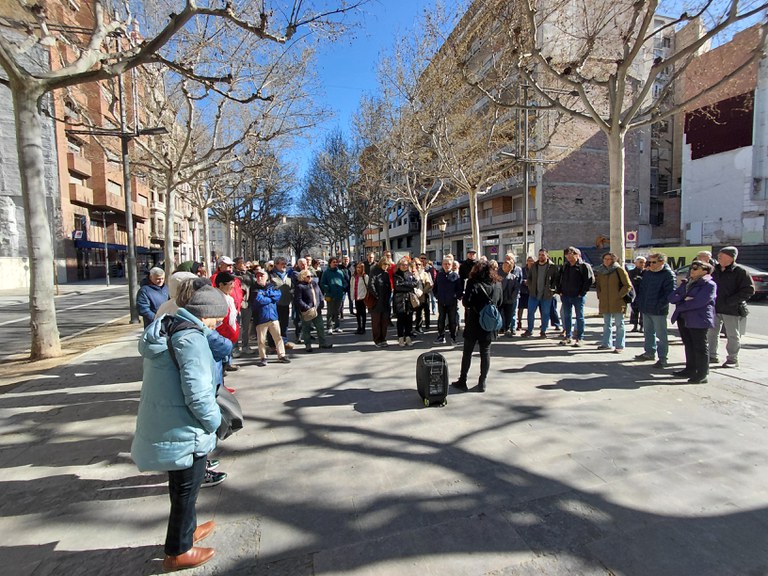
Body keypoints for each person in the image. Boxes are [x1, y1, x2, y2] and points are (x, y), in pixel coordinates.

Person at [131, 284, 228, 572]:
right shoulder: (191, 340)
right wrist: (216, 423)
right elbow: (197, 394)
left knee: (183, 484)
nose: (217, 324)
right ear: (206, 314)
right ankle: (178, 550)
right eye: (217, 319)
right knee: (187, 488)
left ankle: (188, 530)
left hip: (168, 419)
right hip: (185, 426)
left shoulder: (168, 326)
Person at [451, 261, 502, 393]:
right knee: (485, 353)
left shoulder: (473, 283)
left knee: (467, 352)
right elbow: (500, 302)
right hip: (489, 323)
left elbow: (466, 302)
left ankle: (463, 380)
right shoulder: (497, 284)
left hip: (474, 322)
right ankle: (482, 382)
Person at [707, 246, 755, 368]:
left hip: (731, 309)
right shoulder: (714, 270)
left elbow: (749, 290)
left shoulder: (740, 272)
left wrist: (732, 301)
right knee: (712, 333)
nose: (718, 257)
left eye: (721, 255)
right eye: (718, 255)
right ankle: (712, 356)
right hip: (715, 307)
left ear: (730, 257)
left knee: (732, 334)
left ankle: (732, 359)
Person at [669, 260, 717, 383]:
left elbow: (699, 302)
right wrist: (684, 299)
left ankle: (702, 374)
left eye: (696, 268)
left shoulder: (709, 285)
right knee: (689, 344)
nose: (692, 270)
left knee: (700, 346)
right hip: (684, 317)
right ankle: (690, 369)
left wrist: (682, 303)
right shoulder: (687, 283)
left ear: (705, 271)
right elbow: (672, 297)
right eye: (692, 268)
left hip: (699, 318)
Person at [634, 252, 676, 368]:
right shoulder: (648, 273)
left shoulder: (668, 274)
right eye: (649, 262)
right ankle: (649, 352)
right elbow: (642, 290)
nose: (650, 264)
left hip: (658, 310)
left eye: (654, 262)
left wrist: (659, 305)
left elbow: (669, 293)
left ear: (662, 262)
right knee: (648, 332)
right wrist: (640, 303)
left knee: (661, 335)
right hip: (646, 308)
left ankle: (662, 358)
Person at [251, 270, 290, 366]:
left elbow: (277, 296)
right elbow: (258, 300)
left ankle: (281, 355)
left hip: (273, 317)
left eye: (262, 276)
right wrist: (270, 298)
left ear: (266, 277)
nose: (259, 277)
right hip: (260, 318)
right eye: (258, 276)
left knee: (278, 337)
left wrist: (266, 296)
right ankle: (263, 357)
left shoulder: (272, 286)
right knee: (261, 340)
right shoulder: (254, 288)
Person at [594, 252, 632, 353]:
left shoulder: (619, 270)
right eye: (605, 259)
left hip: (617, 302)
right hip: (605, 302)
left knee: (619, 324)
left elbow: (627, 285)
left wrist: (619, 296)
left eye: (609, 259)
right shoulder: (600, 271)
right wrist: (600, 295)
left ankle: (619, 345)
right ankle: (606, 343)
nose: (606, 261)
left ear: (613, 260)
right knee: (607, 324)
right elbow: (598, 286)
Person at [558, 247, 594, 347]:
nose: (569, 256)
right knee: (567, 316)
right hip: (565, 296)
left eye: (572, 254)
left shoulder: (584, 266)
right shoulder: (565, 266)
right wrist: (560, 291)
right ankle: (568, 337)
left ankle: (579, 338)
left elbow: (590, 281)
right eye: (567, 254)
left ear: (578, 255)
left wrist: (582, 293)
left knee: (579, 317)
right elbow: (559, 279)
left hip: (578, 296)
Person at [522, 248, 559, 338]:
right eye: (539, 255)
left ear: (547, 255)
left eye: (543, 255)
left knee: (545, 314)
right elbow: (529, 278)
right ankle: (529, 330)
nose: (541, 256)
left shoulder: (552, 267)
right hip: (534, 294)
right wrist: (530, 287)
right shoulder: (534, 266)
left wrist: (552, 290)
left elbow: (556, 280)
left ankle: (543, 331)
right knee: (530, 313)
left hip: (546, 295)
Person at [294, 268, 333, 353]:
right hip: (307, 311)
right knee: (306, 328)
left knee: (320, 327)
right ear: (303, 277)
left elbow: (319, 294)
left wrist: (322, 302)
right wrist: (307, 307)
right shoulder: (299, 286)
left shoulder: (314, 283)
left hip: (317, 309)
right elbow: (298, 300)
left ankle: (322, 343)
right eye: (308, 276)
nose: (310, 277)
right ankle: (308, 345)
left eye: (311, 276)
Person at [434, 255, 463, 345]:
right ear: (442, 265)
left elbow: (460, 289)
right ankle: (441, 336)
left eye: (449, 264)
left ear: (451, 265)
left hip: (452, 302)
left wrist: (455, 296)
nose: (447, 265)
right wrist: (437, 296)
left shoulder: (455, 276)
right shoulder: (439, 275)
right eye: (445, 264)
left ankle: (453, 337)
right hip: (441, 301)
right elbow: (435, 288)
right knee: (441, 320)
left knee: (452, 321)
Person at [214, 271, 240, 374]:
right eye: (230, 284)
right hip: (221, 331)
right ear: (221, 285)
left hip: (229, 332)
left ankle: (227, 364)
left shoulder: (228, 297)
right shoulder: (216, 297)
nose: (233, 286)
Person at [268, 256, 295, 351]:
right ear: (276, 265)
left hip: (285, 303)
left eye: (285, 264)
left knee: (284, 324)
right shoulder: (271, 275)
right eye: (282, 264)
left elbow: (292, 287)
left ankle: (283, 342)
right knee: (273, 325)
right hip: (274, 304)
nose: (284, 266)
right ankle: (272, 345)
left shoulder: (288, 275)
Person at [393, 257, 418, 347]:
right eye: (403, 265)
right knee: (400, 319)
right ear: (399, 265)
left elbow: (415, 283)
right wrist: (408, 285)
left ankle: (408, 336)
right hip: (399, 299)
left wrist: (404, 284)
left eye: (406, 265)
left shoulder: (410, 274)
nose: (404, 266)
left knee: (409, 319)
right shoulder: (396, 275)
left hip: (409, 299)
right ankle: (400, 337)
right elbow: (397, 287)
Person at [369, 256, 393, 347]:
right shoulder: (374, 271)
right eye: (384, 264)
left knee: (384, 321)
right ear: (381, 263)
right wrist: (377, 295)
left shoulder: (386, 274)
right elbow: (371, 285)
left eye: (387, 265)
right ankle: (377, 339)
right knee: (376, 322)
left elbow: (388, 286)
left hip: (385, 300)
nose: (386, 266)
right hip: (377, 301)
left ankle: (383, 338)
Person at [319, 257, 348, 334]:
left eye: (336, 262)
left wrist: (344, 287)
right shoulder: (326, 273)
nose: (335, 263)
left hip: (339, 295)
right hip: (330, 295)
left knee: (337, 312)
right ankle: (329, 327)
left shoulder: (340, 272)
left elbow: (344, 281)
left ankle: (337, 326)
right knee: (330, 312)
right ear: (330, 263)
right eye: (334, 262)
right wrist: (328, 288)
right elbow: (322, 283)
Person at [233, 257, 255, 356]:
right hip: (237, 304)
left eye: (244, 263)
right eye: (241, 263)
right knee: (236, 326)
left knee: (246, 327)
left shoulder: (249, 275)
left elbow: (253, 284)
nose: (244, 265)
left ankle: (245, 346)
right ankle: (235, 347)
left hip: (247, 303)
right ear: (236, 264)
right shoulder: (233, 275)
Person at [500, 257, 522, 337]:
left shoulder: (513, 277)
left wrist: (512, 298)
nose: (505, 267)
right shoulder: (499, 276)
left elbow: (516, 289)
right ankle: (500, 328)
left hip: (509, 300)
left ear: (510, 267)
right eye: (504, 265)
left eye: (507, 266)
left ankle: (508, 329)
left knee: (509, 315)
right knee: (500, 314)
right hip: (500, 300)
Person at [412, 258, 433, 334]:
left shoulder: (424, 273)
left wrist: (422, 292)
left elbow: (429, 283)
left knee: (420, 313)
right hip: (412, 296)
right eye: (416, 264)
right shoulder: (410, 273)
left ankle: (419, 327)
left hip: (422, 296)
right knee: (411, 313)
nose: (418, 266)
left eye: (419, 264)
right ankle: (410, 329)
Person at [350, 262, 369, 335]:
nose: (358, 269)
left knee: (363, 313)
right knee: (358, 313)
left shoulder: (365, 276)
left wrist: (366, 296)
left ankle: (363, 328)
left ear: (362, 268)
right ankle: (359, 327)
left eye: (360, 267)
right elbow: (352, 287)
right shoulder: (353, 277)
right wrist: (352, 296)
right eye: (357, 267)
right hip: (356, 297)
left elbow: (368, 287)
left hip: (362, 297)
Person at [628, 256, 645, 332]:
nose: (643, 264)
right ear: (636, 263)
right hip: (634, 293)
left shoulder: (647, 272)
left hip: (643, 294)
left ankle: (642, 326)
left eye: (644, 262)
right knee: (634, 310)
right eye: (641, 262)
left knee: (643, 311)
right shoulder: (631, 272)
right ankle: (635, 325)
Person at [518, 256, 534, 332]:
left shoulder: (535, 269)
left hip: (531, 292)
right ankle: (519, 322)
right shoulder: (522, 269)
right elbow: (519, 278)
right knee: (521, 308)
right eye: (529, 261)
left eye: (532, 261)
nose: (530, 262)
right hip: (523, 291)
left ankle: (530, 325)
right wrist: (524, 281)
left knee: (530, 309)